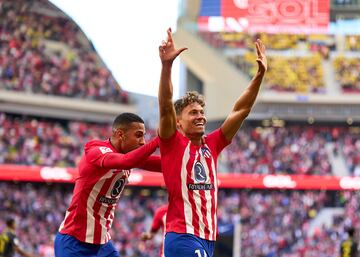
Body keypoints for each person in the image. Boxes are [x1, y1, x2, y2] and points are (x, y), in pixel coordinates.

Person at [157, 28, 267, 257]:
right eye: (193, 113)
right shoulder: (172, 142)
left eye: (201, 112)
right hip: (184, 236)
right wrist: (167, 67)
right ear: (178, 122)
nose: (200, 116)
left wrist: (259, 76)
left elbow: (241, 110)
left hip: (207, 238)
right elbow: (166, 104)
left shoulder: (212, 144)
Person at [54, 112, 161, 257]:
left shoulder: (130, 155)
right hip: (74, 241)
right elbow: (126, 162)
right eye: (138, 135)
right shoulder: (97, 149)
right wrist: (158, 140)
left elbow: (162, 164)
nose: (142, 141)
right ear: (120, 134)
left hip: (102, 243)